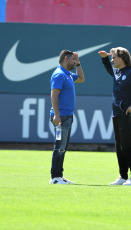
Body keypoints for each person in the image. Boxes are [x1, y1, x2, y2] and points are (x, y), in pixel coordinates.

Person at [98, 47, 131, 186]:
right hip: (117, 114)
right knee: (119, 147)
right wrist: (104, 58)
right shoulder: (117, 71)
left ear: (123, 58)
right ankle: (123, 176)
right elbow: (109, 68)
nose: (112, 60)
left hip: (127, 115)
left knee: (126, 145)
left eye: (114, 57)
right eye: (112, 57)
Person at [49, 50, 85, 185]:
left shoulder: (68, 74)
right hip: (61, 117)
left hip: (67, 116)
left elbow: (81, 79)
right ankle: (54, 177)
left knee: (63, 146)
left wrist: (78, 63)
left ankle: (59, 175)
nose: (74, 61)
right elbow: (54, 94)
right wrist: (57, 115)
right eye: (72, 59)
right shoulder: (59, 74)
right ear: (65, 59)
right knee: (59, 145)